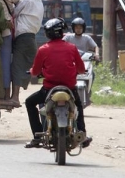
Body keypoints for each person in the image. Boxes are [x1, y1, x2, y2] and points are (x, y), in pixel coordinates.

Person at [24, 18, 92, 149]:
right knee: (78, 105)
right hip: (69, 88)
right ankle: (82, 134)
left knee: (29, 102)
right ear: (63, 32)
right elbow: (81, 69)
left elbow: (35, 71)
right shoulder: (72, 48)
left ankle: (37, 137)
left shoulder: (43, 49)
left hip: (49, 89)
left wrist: (33, 71)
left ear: (47, 34)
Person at [10, 0, 44, 106]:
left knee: (17, 67)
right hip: (31, 38)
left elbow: (13, 13)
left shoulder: (26, 0)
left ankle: (15, 97)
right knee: (23, 67)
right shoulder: (38, 2)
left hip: (23, 39)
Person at [64, 17, 99, 107]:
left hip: (84, 61)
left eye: (80, 28)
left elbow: (95, 47)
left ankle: (88, 91)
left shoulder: (87, 38)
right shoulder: (68, 37)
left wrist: (97, 54)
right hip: (70, 62)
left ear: (83, 28)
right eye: (76, 28)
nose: (78, 29)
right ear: (73, 28)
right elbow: (61, 44)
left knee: (92, 74)